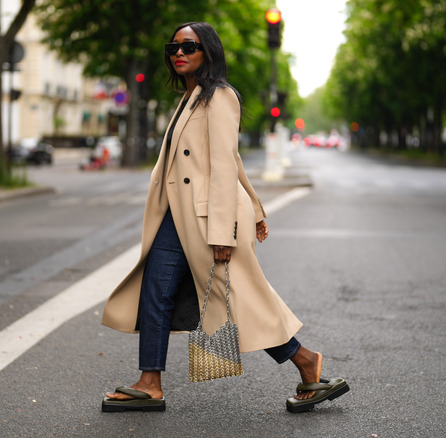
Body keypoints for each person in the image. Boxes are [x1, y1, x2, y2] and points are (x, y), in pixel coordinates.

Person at [100, 22, 349, 413]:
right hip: (179, 215)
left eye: (189, 46)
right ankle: (149, 382)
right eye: (173, 47)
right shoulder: (190, 98)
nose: (178, 52)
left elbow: (222, 165)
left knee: (237, 300)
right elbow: (231, 161)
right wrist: (255, 206)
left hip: (203, 220)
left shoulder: (219, 97)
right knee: (156, 289)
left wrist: (225, 230)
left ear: (208, 51)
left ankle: (306, 361)